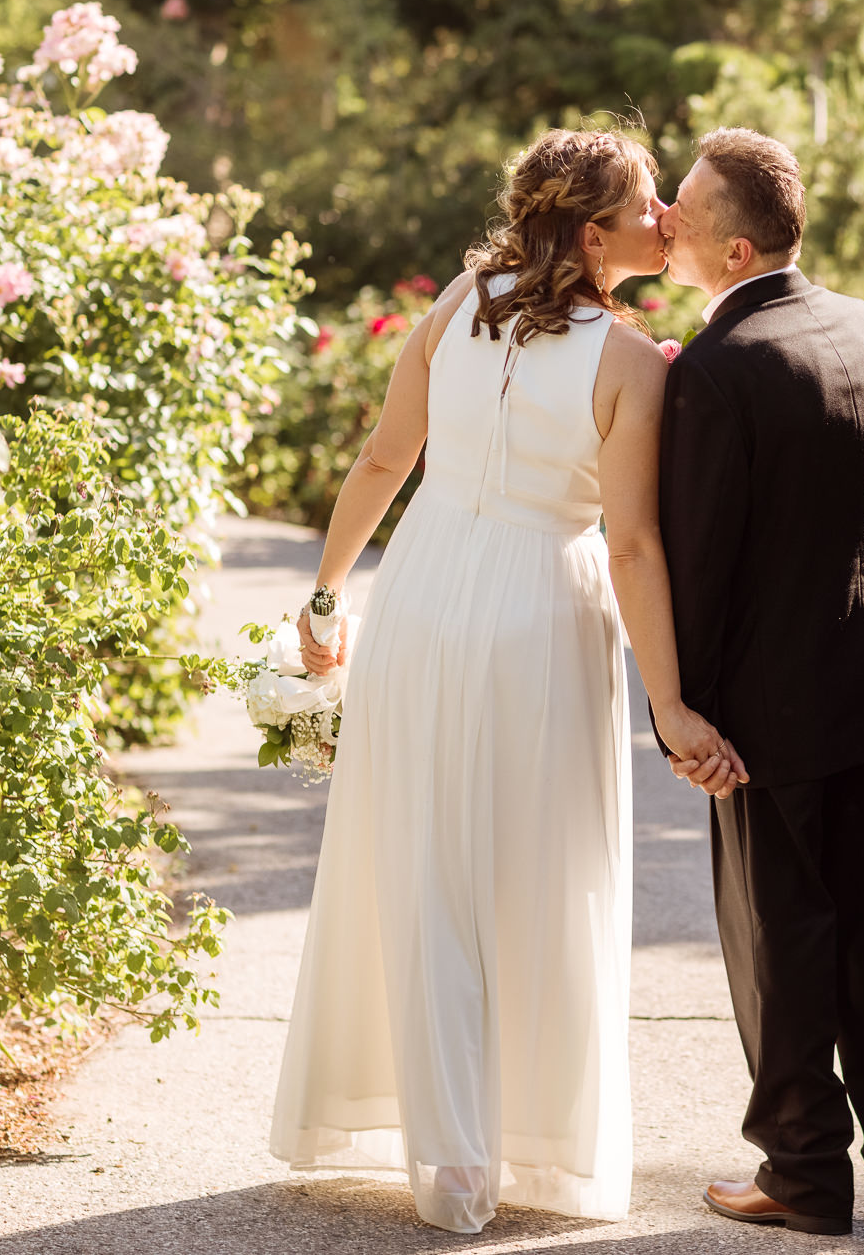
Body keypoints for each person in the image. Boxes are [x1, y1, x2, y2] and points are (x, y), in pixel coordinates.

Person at [268, 127, 743, 1234]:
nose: (667, 220)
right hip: (541, 609)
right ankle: (512, 1145)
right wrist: (668, 703)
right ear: (593, 234)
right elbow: (631, 546)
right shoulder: (628, 363)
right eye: (647, 206)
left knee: (426, 863)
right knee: (534, 872)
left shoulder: (458, 302)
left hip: (424, 593)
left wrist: (326, 599)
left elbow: (385, 458)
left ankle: (451, 1157)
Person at [654, 127, 864, 1237]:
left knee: (781, 939)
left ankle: (801, 1173)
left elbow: (696, 559)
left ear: (733, 246)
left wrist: (681, 715)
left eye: (681, 205)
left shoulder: (717, 371)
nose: (661, 213)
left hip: (767, 715)